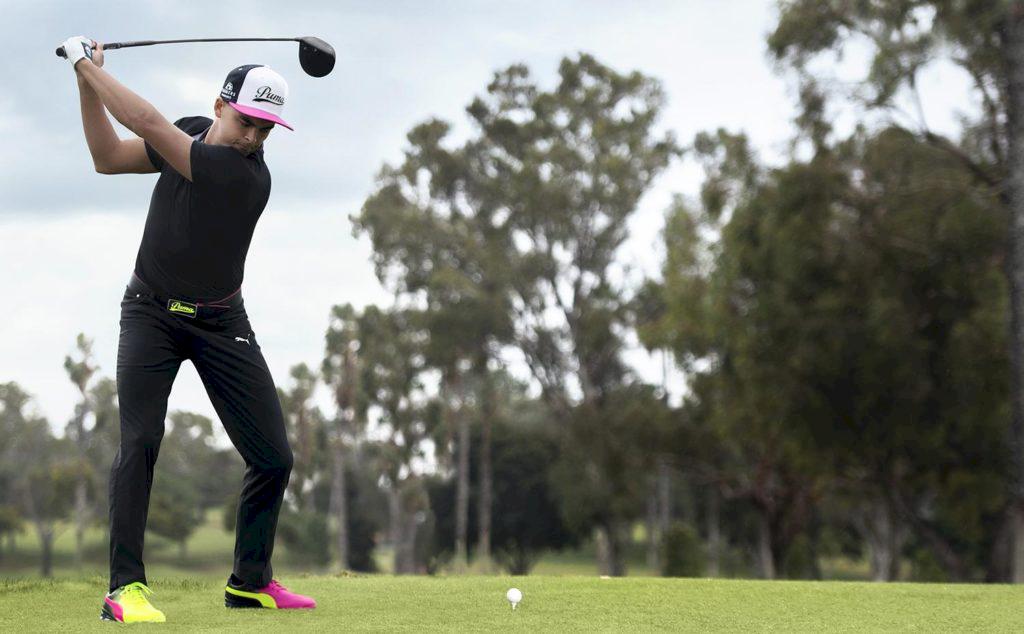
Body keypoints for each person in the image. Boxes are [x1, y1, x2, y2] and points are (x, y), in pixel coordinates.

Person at [61, 35, 316, 624]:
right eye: (247, 121)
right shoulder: (193, 133)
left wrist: (83, 63)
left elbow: (146, 121)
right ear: (220, 105)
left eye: (266, 129)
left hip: (221, 321)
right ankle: (125, 589)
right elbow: (107, 156)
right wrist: (84, 83)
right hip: (149, 312)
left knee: (273, 456)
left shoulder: (242, 175)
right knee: (140, 443)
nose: (254, 137)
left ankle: (249, 582)